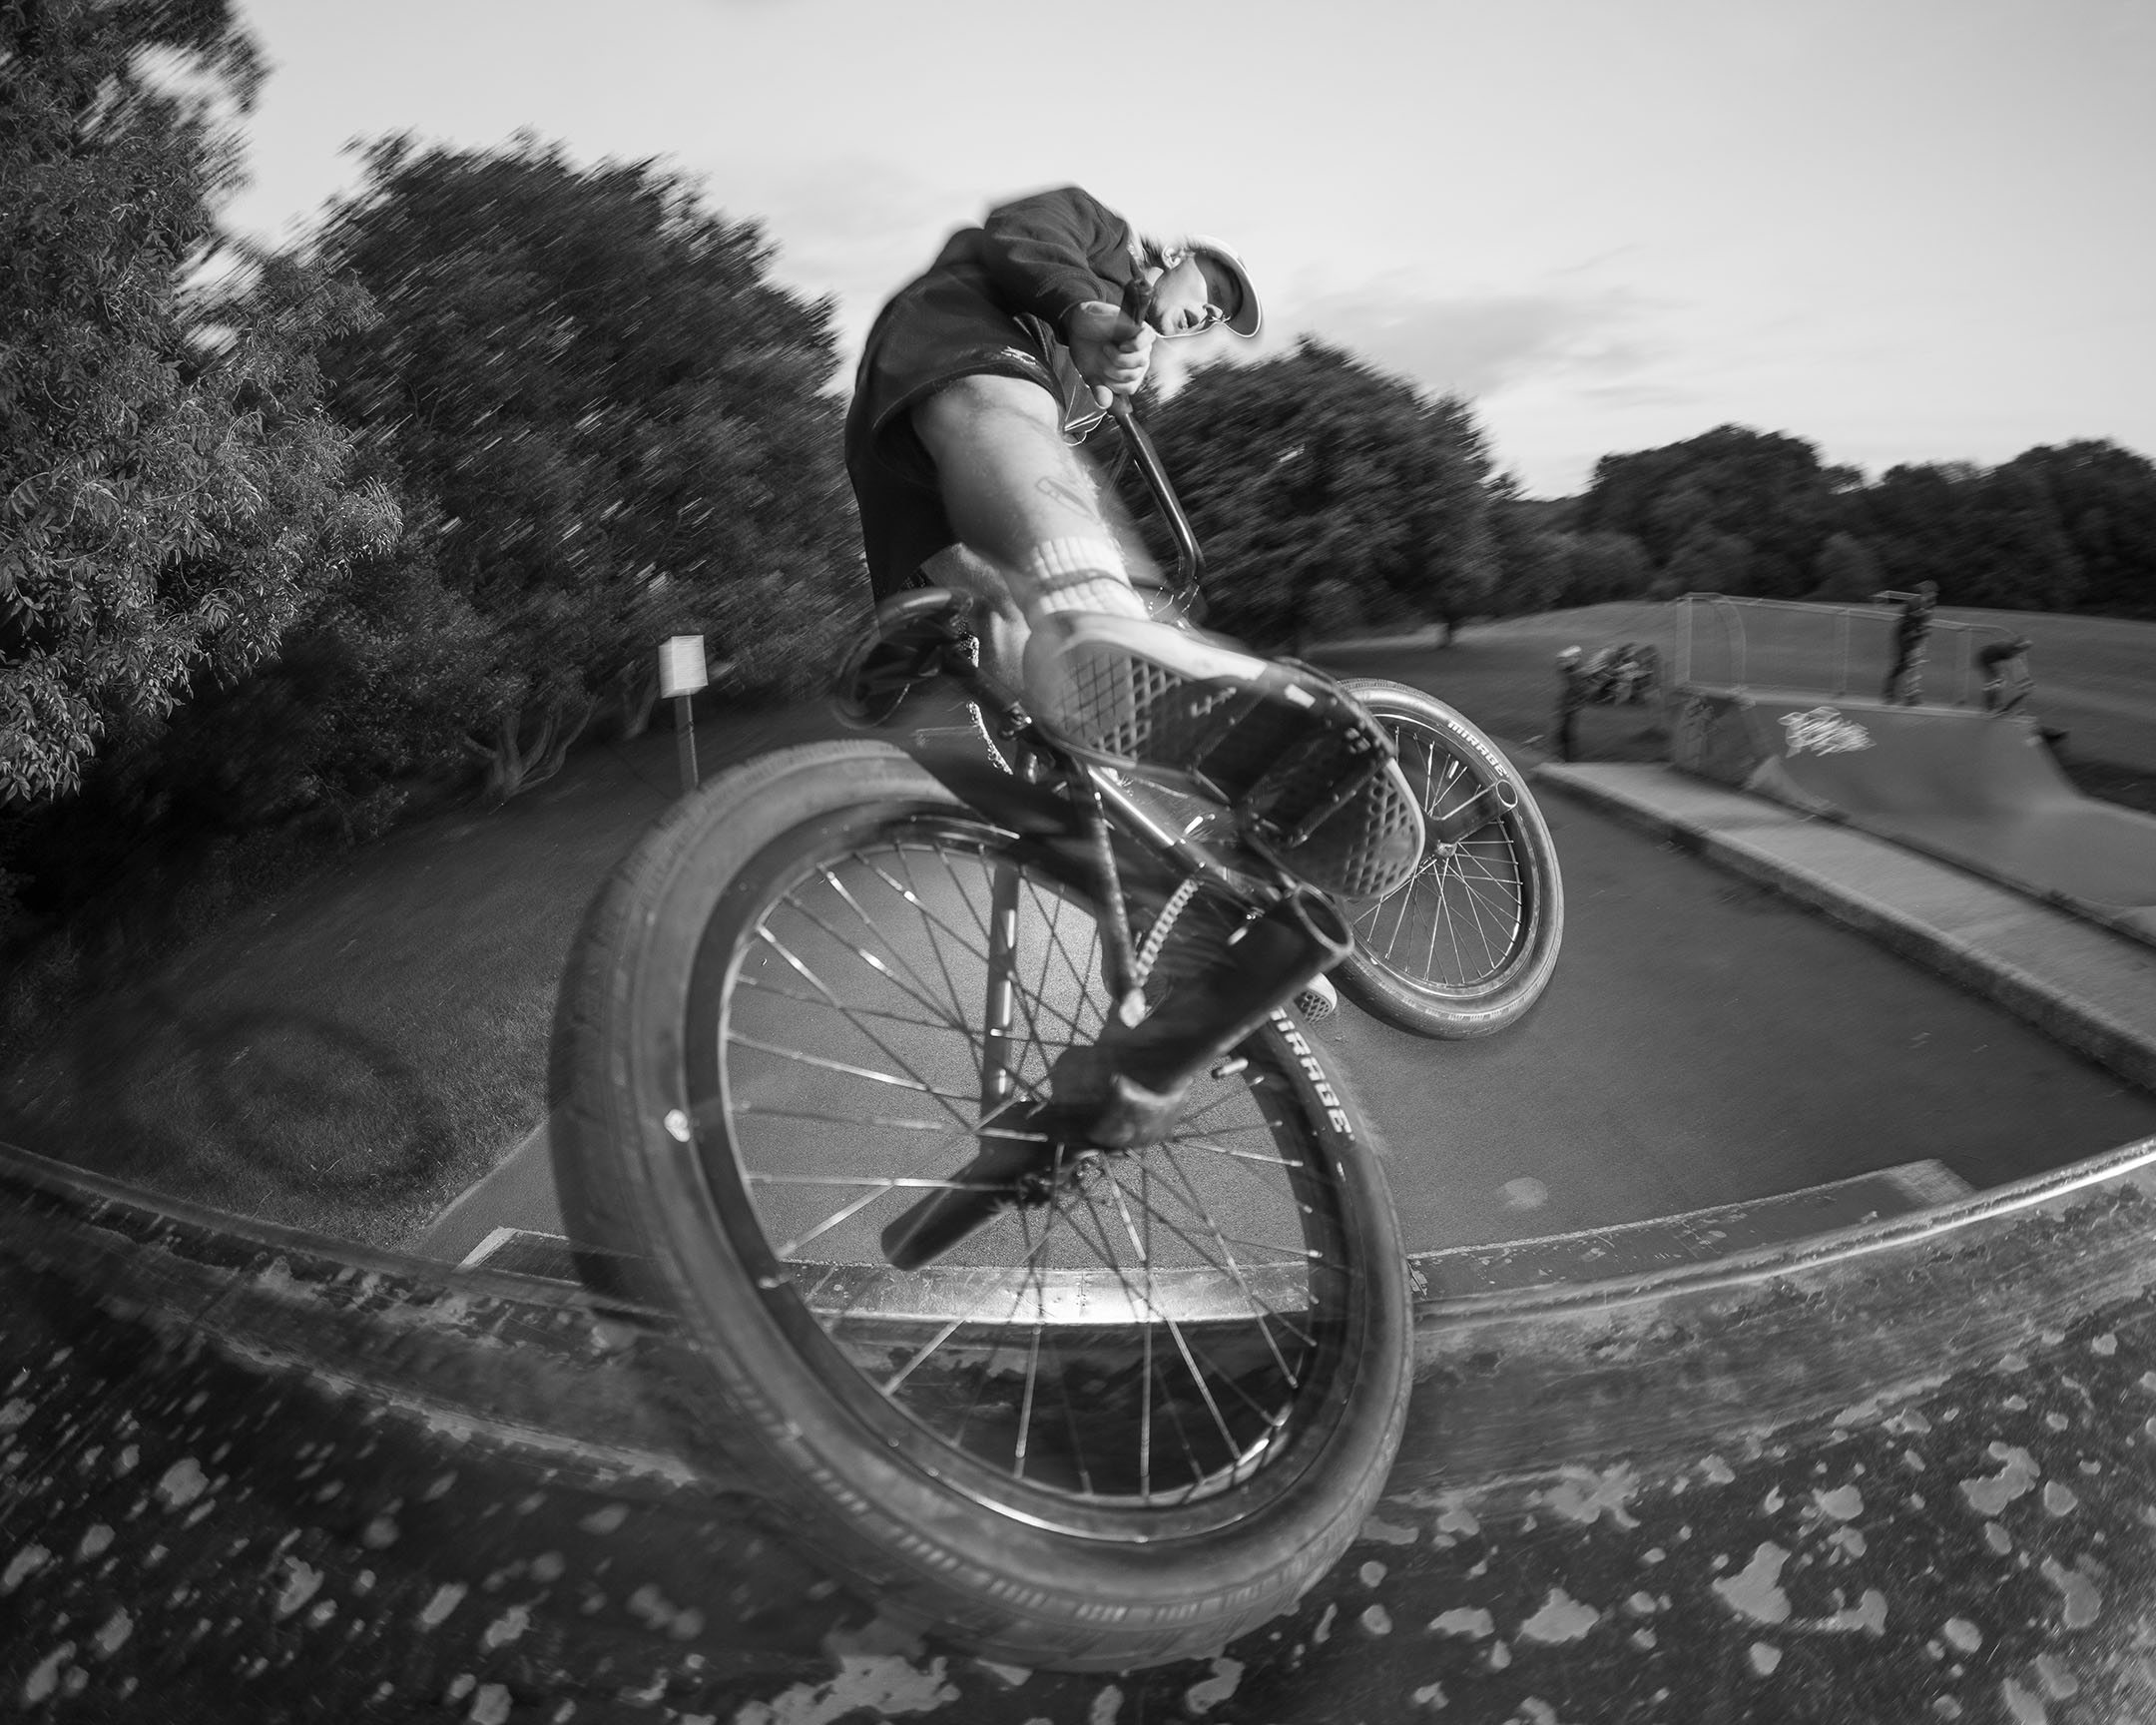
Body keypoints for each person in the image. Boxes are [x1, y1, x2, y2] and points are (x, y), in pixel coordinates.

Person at [841, 185, 1420, 901]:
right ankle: (1100, 627)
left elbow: (1065, 492)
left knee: (1021, 619)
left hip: (932, 483)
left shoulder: (1103, 392)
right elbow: (1019, 230)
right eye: (1214, 289)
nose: (1209, 314)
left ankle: (1130, 851)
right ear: (1175, 257)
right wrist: (1081, 308)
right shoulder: (1103, 238)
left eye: (1219, 316)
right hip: (951, 346)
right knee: (1019, 446)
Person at [1875, 580, 1938, 705]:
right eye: (1932, 592)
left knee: (1914, 665)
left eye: (1935, 593)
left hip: (1917, 636)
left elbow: (1926, 620)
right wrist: (1912, 635)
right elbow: (1906, 621)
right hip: (1904, 635)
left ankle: (1911, 695)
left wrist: (1924, 632)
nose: (1934, 595)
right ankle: (1890, 693)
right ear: (1926, 592)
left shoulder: (1931, 603)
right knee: (1902, 664)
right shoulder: (1913, 602)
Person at [1552, 646, 1588, 762]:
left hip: (1570, 707)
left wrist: (1571, 706)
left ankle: (1569, 759)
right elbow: (1561, 664)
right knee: (1563, 733)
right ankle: (1567, 757)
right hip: (1569, 706)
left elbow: (1579, 691)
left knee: (1564, 733)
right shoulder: (1573, 671)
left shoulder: (1576, 673)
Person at [1978, 636, 2033, 713]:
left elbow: (2014, 667)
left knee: (1997, 682)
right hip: (1986, 660)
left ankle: (1992, 706)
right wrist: (2023, 684)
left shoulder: (2011, 648)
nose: (2024, 650)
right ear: (2019, 645)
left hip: (1988, 658)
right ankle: (1990, 707)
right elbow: (2012, 668)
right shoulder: (2009, 650)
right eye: (2024, 648)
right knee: (1996, 682)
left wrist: (2024, 683)